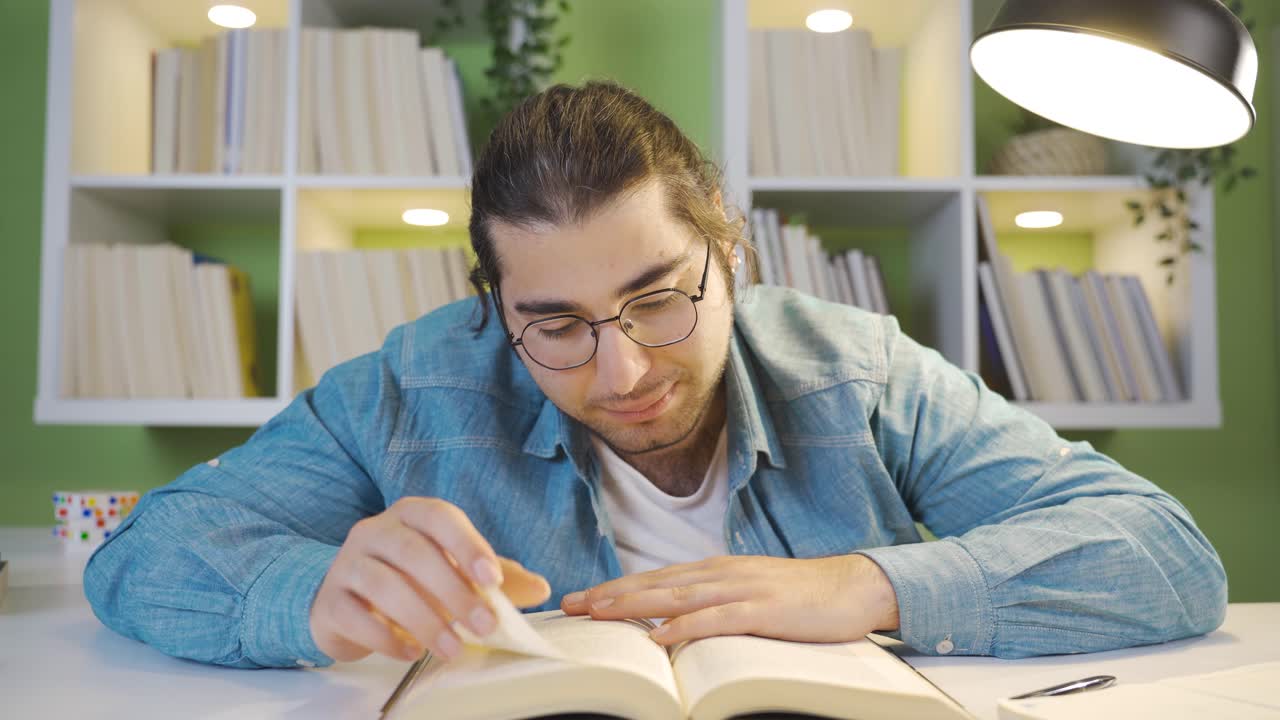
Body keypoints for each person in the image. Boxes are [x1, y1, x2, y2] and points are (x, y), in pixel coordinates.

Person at [84, 81, 1227, 670]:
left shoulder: (860, 369)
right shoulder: (409, 384)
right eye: (556, 326)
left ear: (729, 252)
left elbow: (1162, 555)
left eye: (657, 298)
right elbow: (143, 555)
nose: (622, 369)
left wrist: (867, 587)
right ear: (494, 309)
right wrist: (310, 593)